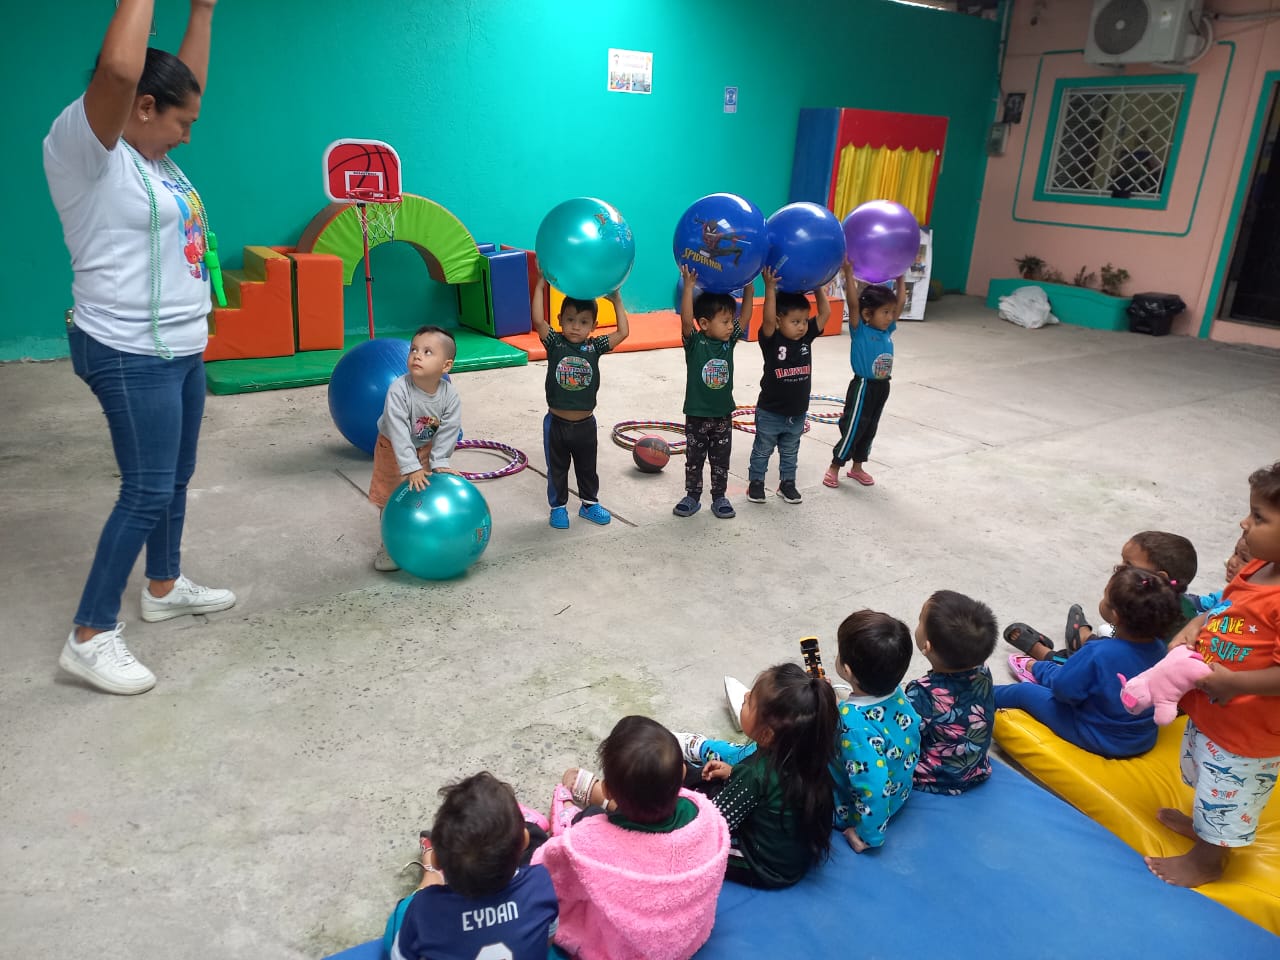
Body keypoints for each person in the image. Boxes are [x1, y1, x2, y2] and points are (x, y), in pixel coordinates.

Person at [45, 0, 234, 696]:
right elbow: (120, 70)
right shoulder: (86, 152)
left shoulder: (155, 159)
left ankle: (163, 584)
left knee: (174, 476)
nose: (188, 134)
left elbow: (187, 83)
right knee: (147, 487)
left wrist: (203, 9)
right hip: (127, 350)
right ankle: (89, 636)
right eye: (182, 121)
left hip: (180, 346)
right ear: (144, 107)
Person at [1146, 462, 1280, 888]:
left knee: (1228, 792)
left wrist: (1234, 683)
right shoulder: (1257, 568)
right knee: (1208, 779)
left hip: (1248, 730)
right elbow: (1224, 607)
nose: (1244, 523)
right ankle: (1204, 826)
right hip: (1215, 710)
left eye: (1259, 517)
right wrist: (1195, 625)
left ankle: (1207, 861)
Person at [532, 716, 729, 960]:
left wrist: (559, 843)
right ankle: (610, 806)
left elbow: (546, 874)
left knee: (587, 818)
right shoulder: (705, 815)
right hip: (687, 937)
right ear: (682, 773)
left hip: (626, 950)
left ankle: (575, 813)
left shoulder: (587, 842)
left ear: (608, 789)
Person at [998, 565, 1180, 758]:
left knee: (1023, 692)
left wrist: (1040, 668)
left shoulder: (1098, 652)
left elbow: (1063, 691)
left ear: (1116, 616)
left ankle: (978, 695)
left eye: (1105, 598)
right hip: (1142, 739)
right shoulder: (1161, 649)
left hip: (1097, 736)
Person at [684, 663, 838, 888]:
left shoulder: (755, 775)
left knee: (693, 836)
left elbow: (712, 826)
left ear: (766, 735)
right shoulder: (808, 755)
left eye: (751, 702)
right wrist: (733, 773)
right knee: (709, 781)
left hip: (765, 865)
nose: (745, 695)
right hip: (794, 857)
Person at [385, 772, 559, 960]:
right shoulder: (540, 884)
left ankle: (431, 875)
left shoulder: (423, 910)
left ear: (437, 861)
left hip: (428, 913)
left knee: (402, 914)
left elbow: (398, 957)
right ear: (524, 840)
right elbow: (547, 939)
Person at [531, 275, 629, 530]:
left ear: (593, 326)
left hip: (585, 424)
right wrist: (540, 284)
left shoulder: (594, 347)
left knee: (587, 468)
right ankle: (558, 508)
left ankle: (589, 504)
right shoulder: (554, 342)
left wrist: (617, 300)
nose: (575, 327)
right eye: (570, 320)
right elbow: (538, 320)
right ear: (560, 320)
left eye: (583, 322)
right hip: (556, 424)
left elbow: (623, 332)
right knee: (557, 469)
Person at [1005, 531, 1197, 661]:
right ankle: (1084, 638)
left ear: (1161, 578)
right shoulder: (1183, 606)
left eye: (1128, 565)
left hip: (1128, 676)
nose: (1119, 568)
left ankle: (1044, 653)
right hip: (1131, 657)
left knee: (1087, 662)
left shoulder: (1145, 615)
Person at [370, 326, 462, 572]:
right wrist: (410, 466)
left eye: (428, 352)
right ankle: (389, 545)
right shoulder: (399, 389)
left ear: (446, 366)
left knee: (421, 493)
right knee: (392, 496)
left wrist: (440, 461)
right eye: (414, 349)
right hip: (392, 447)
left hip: (425, 445)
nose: (417, 355)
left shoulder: (450, 396)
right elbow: (398, 430)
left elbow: (449, 429)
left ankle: (419, 535)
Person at [829, 610, 921, 850]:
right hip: (899, 794)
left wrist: (868, 836)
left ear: (847, 671)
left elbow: (875, 788)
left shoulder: (851, 724)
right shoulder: (897, 693)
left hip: (853, 809)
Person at [747, 267, 828, 505]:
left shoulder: (806, 338)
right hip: (771, 411)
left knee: (791, 451)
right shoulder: (772, 339)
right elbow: (767, 319)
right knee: (763, 449)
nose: (802, 326)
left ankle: (787, 484)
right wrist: (770, 288)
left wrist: (818, 287)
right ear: (779, 321)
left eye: (803, 321)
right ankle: (756, 483)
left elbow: (825, 314)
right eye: (795, 322)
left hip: (797, 412)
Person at [905, 591, 999, 795]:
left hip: (937, 779)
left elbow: (903, 735)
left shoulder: (923, 692)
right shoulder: (983, 671)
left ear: (926, 646)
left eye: (920, 620)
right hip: (977, 768)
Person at [674, 264, 749, 519]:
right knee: (694, 460)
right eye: (725, 321)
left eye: (730, 321)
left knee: (721, 461)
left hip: (722, 416)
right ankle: (692, 496)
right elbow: (687, 321)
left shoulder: (729, 343)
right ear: (704, 324)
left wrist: (749, 288)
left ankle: (719, 497)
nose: (730, 326)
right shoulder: (696, 343)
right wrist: (688, 287)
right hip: (697, 415)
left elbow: (745, 319)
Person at [823, 260, 905, 489]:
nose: (890, 317)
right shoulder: (860, 329)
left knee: (870, 427)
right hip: (863, 386)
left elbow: (900, 304)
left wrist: (900, 279)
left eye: (891, 312)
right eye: (885, 312)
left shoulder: (887, 330)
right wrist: (848, 273)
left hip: (882, 386)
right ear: (868, 314)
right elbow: (853, 303)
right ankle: (834, 466)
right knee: (854, 426)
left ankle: (857, 467)